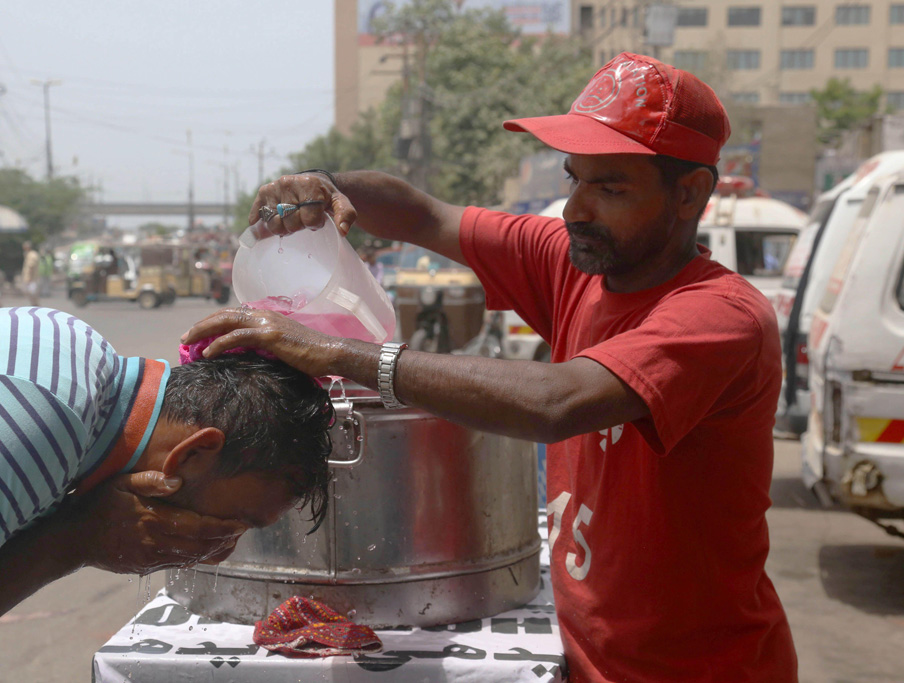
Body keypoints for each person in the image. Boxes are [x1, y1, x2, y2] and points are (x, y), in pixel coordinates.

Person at [182, 53, 798, 682]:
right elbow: (425, 215)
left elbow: (558, 401)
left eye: (610, 188)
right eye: (574, 179)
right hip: (594, 659)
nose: (575, 209)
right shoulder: (572, 262)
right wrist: (324, 185)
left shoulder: (720, 316)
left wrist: (341, 355)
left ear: (689, 192)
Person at [0, 306, 333, 680]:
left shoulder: (79, 362)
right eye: (236, 523)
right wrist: (74, 541)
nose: (217, 554)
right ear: (194, 454)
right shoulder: (43, 410)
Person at [20, 241, 41, 306]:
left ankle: (35, 305)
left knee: (32, 293)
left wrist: (29, 278)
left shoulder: (32, 254)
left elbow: (31, 266)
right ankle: (34, 304)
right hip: (30, 278)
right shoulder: (29, 254)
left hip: (31, 278)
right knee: (30, 293)